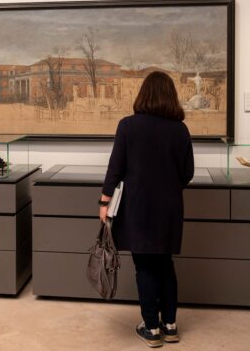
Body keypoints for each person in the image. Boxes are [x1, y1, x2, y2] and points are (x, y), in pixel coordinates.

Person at [100, 71, 194, 348]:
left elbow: (115, 168)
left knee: (144, 266)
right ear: (171, 96)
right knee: (165, 264)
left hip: (138, 206)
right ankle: (170, 325)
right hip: (169, 208)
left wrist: (104, 202)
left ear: (143, 94)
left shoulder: (128, 126)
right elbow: (187, 173)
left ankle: (151, 328)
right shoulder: (180, 129)